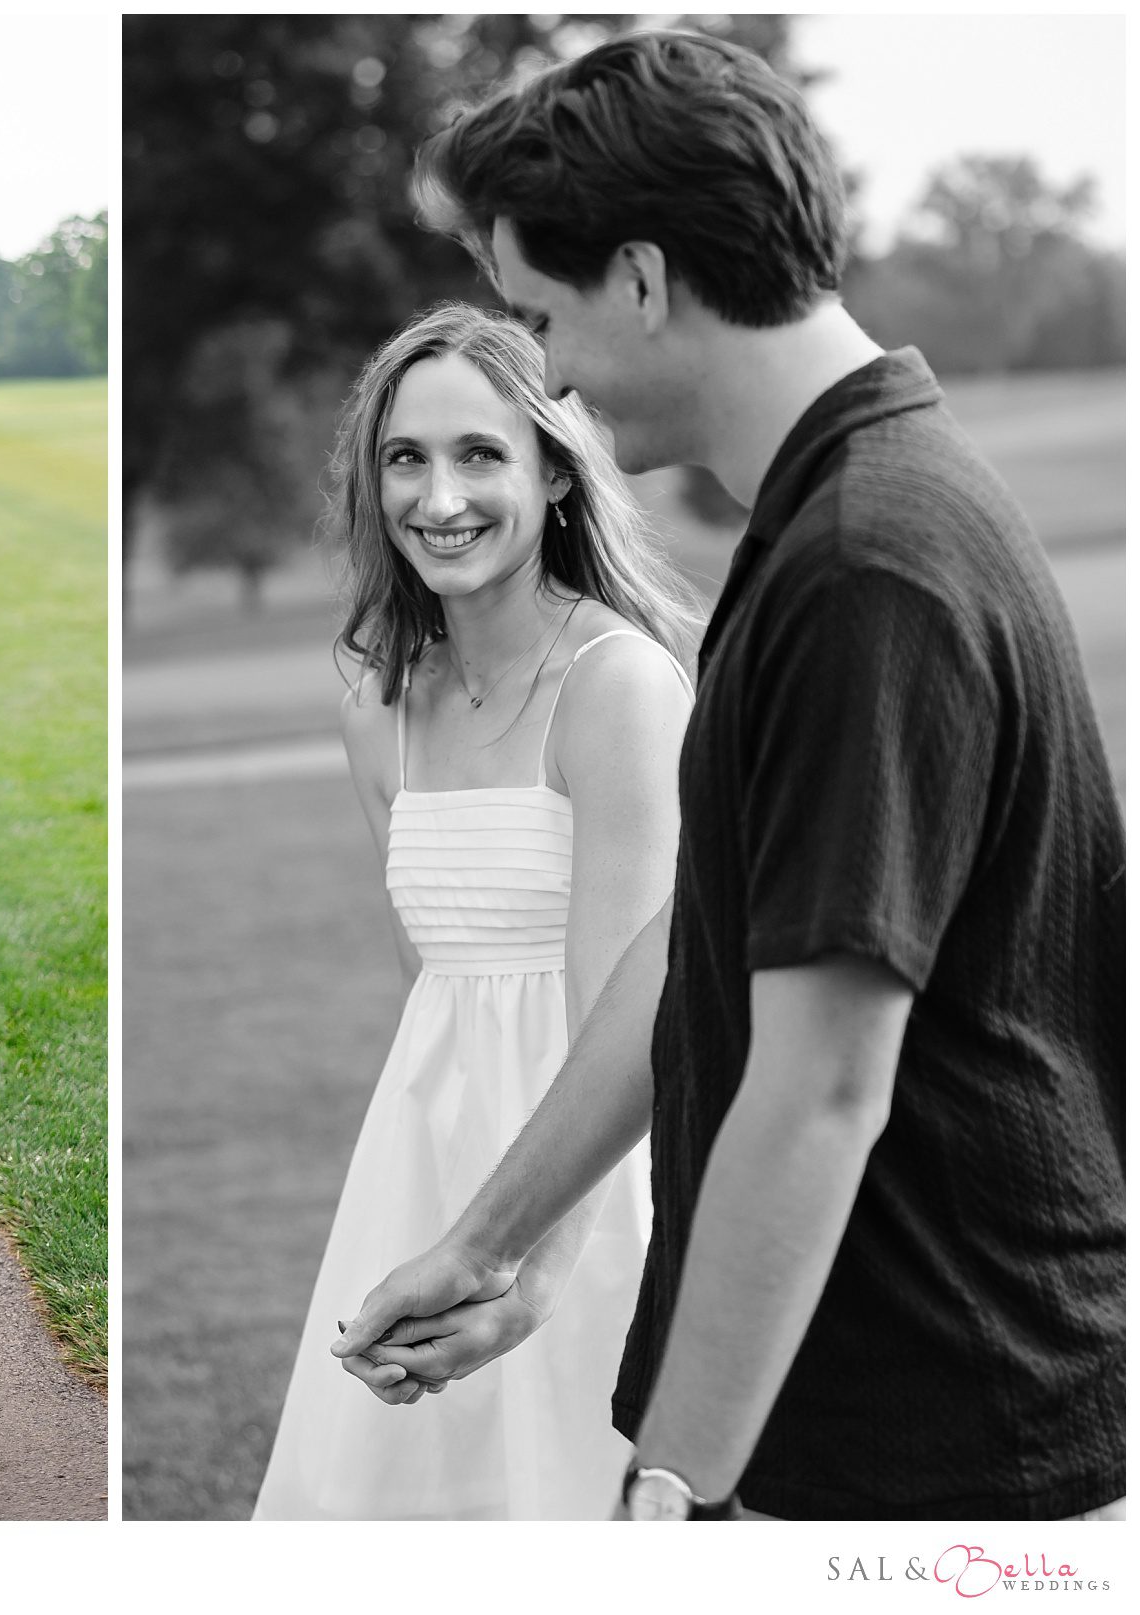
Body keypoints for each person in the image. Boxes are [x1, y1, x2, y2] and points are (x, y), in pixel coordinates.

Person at [334, 31, 1125, 1522]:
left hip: (935, 1438)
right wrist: (495, 1234)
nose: (550, 369)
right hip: (879, 1415)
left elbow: (822, 1082)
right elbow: (693, 937)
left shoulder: (868, 563)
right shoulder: (835, 516)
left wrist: (678, 1480)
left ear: (640, 278)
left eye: (545, 314)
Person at [251, 303, 698, 1518]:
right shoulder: (376, 706)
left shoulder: (619, 688)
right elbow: (431, 986)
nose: (436, 496)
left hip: (603, 1184)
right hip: (420, 1162)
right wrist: (445, 1215)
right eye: (405, 457)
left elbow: (636, 1023)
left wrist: (527, 1265)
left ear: (555, 472)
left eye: (478, 454)